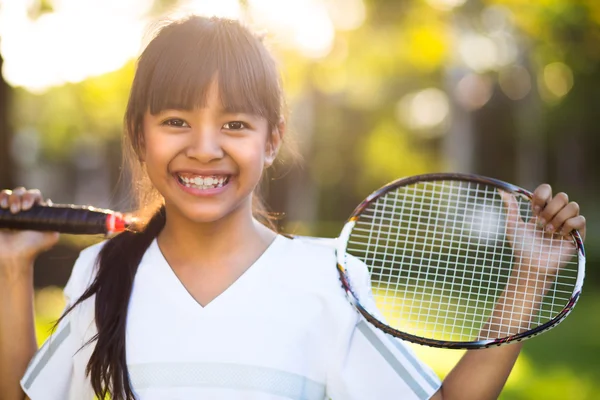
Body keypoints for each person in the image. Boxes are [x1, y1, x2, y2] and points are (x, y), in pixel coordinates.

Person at [0, 15, 587, 400]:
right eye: (176, 121)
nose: (204, 148)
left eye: (234, 124)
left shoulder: (328, 278)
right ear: (139, 134)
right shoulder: (100, 271)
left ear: (272, 139)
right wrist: (11, 268)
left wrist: (530, 278)